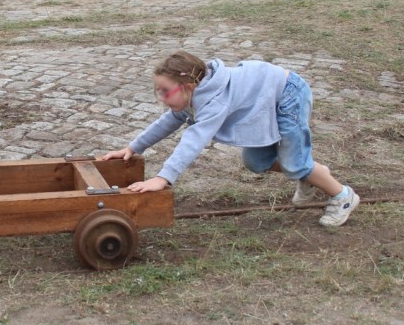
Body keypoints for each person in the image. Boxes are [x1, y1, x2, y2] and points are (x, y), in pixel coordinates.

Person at [100, 51, 360, 228]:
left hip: (288, 94)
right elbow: (167, 122)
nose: (161, 98)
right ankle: (310, 173)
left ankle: (343, 196)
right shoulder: (192, 96)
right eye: (157, 91)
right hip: (265, 99)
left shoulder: (213, 102)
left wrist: (163, 178)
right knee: (256, 162)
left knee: (295, 162)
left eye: (165, 92)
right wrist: (133, 147)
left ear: (188, 86)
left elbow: (193, 140)